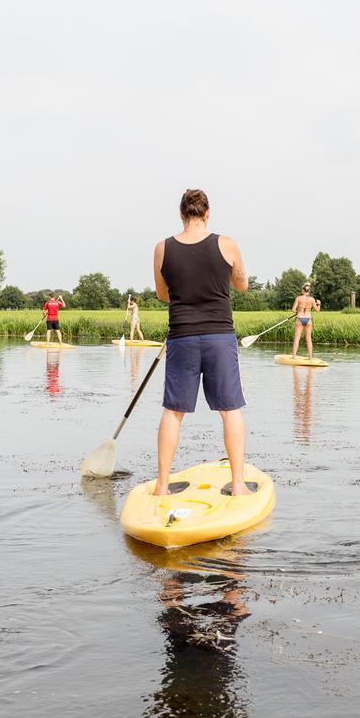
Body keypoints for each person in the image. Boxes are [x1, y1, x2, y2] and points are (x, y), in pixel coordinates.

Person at [152, 189, 251, 496]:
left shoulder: (162, 248)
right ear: (207, 213)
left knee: (173, 411)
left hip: (182, 335)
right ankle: (237, 485)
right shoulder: (227, 244)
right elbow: (243, 285)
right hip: (219, 336)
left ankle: (162, 486)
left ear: (181, 214)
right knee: (230, 409)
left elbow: (162, 294)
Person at [290, 282, 321, 359]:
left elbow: (293, 309)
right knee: (308, 339)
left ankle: (294, 356)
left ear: (302, 290)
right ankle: (310, 357)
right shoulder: (312, 299)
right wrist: (319, 304)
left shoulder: (298, 298)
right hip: (308, 319)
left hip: (300, 318)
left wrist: (297, 312)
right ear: (309, 290)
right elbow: (317, 310)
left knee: (297, 339)